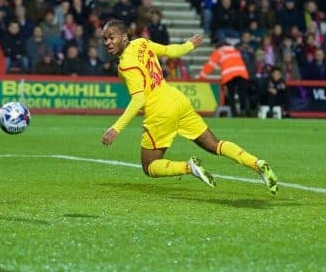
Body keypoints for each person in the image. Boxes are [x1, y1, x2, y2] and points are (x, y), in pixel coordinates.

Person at [100, 19, 278, 194]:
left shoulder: (125, 65)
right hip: (177, 99)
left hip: (159, 111)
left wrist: (116, 128)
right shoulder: (141, 43)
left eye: (111, 37)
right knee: (213, 144)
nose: (107, 42)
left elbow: (138, 100)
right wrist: (189, 45)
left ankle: (189, 167)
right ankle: (256, 164)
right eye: (105, 39)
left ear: (124, 37)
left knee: (149, 166)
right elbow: (170, 51)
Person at [198, 40, 251, 117]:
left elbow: (210, 65)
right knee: (242, 94)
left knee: (231, 95)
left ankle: (234, 113)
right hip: (242, 73)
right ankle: (244, 111)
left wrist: (201, 77)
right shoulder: (234, 50)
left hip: (229, 75)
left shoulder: (219, 51)